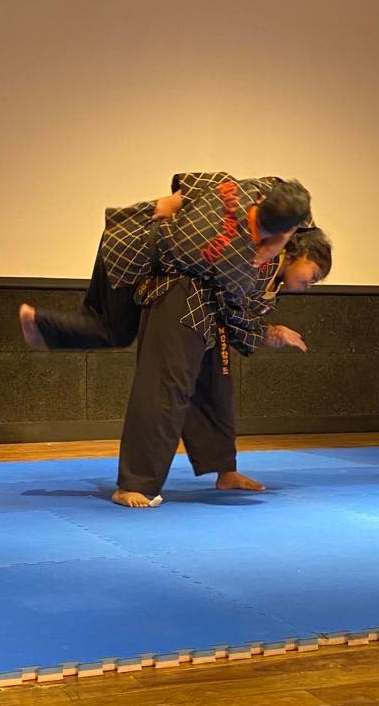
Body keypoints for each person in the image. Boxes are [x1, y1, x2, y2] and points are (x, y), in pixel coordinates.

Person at [113, 226, 333, 507]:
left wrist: (267, 333)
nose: (312, 282)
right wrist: (266, 332)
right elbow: (232, 299)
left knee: (217, 390)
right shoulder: (261, 252)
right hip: (180, 299)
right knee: (164, 392)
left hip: (210, 315)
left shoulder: (273, 276)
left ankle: (224, 470)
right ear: (297, 253)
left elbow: (239, 310)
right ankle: (133, 484)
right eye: (314, 273)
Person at [20, 171, 311, 351]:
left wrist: (177, 203)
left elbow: (270, 182)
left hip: (124, 230)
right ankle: (38, 321)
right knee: (115, 333)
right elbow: (233, 315)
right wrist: (267, 333)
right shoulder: (237, 263)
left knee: (91, 317)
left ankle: (43, 327)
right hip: (130, 262)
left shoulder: (241, 187)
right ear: (284, 232)